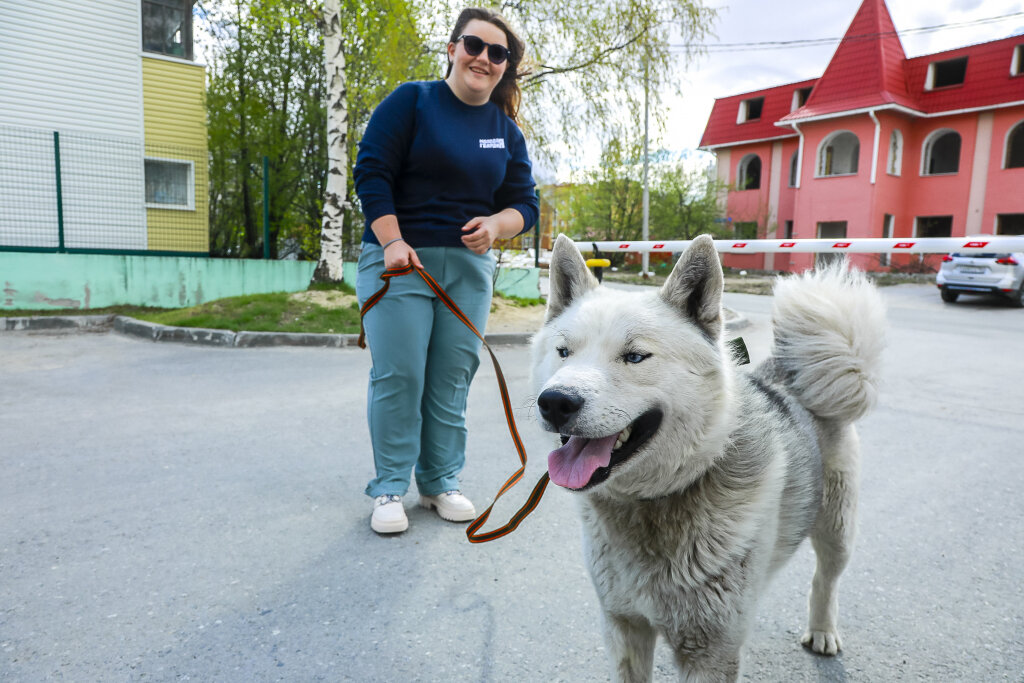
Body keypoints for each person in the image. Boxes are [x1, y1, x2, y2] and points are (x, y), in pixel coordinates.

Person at [353, 8, 538, 534]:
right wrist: (391, 240)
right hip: (399, 263)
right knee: (400, 376)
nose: (484, 58)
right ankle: (389, 486)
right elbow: (371, 171)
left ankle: (439, 482)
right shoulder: (413, 101)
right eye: (474, 45)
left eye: (497, 53)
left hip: (467, 271)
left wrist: (498, 225)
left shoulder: (505, 132)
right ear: (454, 49)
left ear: (505, 67)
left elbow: (525, 204)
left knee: (452, 378)